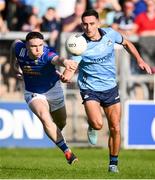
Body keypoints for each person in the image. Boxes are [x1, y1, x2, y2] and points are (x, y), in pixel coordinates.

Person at [58, 9, 152, 173]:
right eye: (85, 24)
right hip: (90, 88)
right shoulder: (80, 43)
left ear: (98, 23)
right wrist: (66, 76)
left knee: (115, 127)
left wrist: (139, 60)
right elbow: (72, 66)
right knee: (98, 124)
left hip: (110, 87)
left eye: (92, 23)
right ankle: (92, 126)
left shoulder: (110, 34)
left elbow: (127, 43)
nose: (88, 27)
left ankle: (113, 164)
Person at [10, 31, 78, 165]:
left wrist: (66, 62)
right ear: (26, 46)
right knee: (44, 117)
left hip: (54, 90)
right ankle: (67, 152)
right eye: (34, 46)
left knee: (61, 122)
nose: (38, 49)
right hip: (33, 92)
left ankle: (55, 134)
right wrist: (14, 66)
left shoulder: (47, 54)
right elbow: (14, 44)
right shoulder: (19, 48)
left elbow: (57, 59)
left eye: (40, 45)